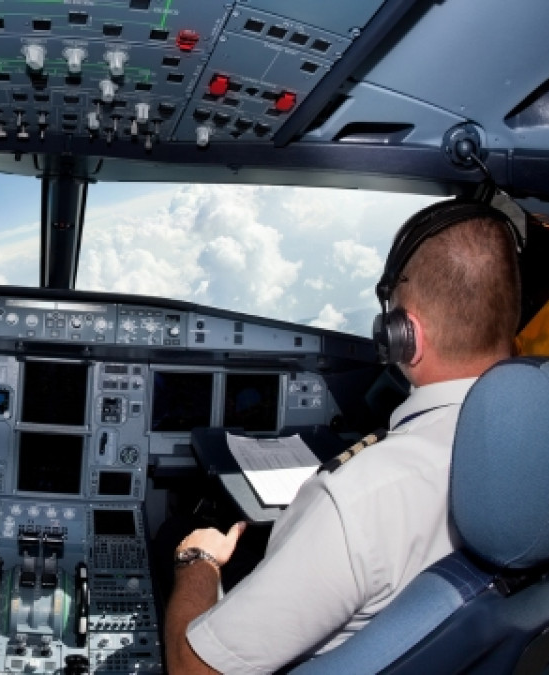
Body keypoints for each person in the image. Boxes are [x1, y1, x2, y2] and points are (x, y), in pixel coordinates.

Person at [165, 199, 522, 674]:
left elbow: (192, 669)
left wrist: (197, 560)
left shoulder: (358, 501)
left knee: (178, 533)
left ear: (404, 335)